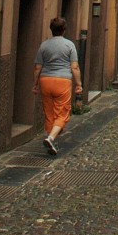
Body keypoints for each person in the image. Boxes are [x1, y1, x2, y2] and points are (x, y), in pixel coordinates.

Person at [33, 16, 82, 156]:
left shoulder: (44, 45)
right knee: (62, 113)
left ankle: (51, 142)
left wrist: (35, 84)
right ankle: (51, 138)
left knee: (49, 113)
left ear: (51, 29)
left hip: (45, 80)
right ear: (64, 30)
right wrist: (78, 84)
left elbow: (37, 67)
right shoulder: (69, 45)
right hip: (62, 81)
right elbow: (74, 67)